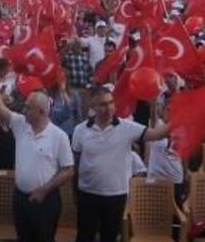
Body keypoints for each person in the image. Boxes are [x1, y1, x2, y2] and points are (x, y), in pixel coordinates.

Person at [71, 86, 169, 242]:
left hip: (115, 195)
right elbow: (76, 164)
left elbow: (156, 134)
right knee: (84, 236)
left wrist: (180, 119)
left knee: (109, 237)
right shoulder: (80, 130)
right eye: (103, 104)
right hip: (88, 194)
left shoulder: (127, 127)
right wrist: (75, 191)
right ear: (93, 107)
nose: (108, 107)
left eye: (110, 102)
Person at [0, 70, 74, 242]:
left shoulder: (58, 136)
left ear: (42, 112)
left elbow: (69, 170)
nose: (23, 109)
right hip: (20, 198)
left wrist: (45, 189)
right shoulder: (21, 124)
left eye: (28, 107)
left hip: (46, 200)